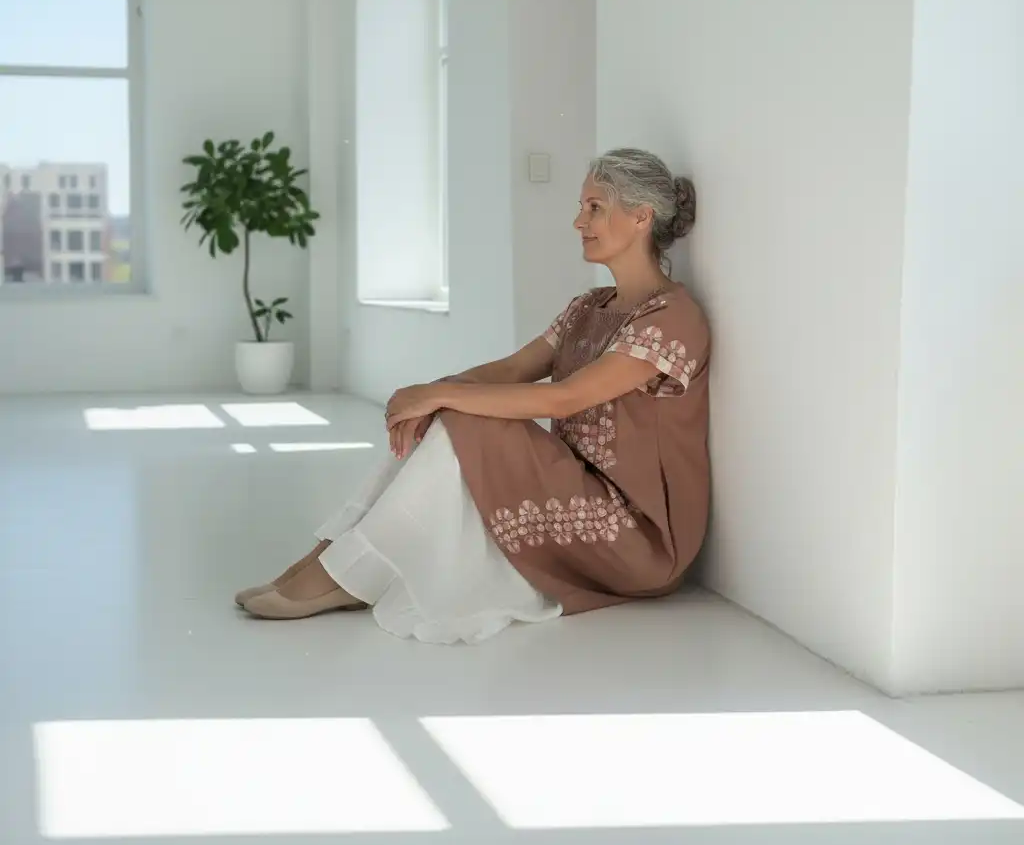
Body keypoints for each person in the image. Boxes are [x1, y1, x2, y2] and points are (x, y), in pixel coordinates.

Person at [237, 148, 710, 643]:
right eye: (581, 207)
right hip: (574, 490)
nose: (578, 221)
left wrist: (439, 395)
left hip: (634, 538)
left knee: (464, 411)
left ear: (641, 217)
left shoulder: (672, 318)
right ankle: (334, 557)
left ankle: (344, 574)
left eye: (595, 207)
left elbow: (563, 398)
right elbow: (513, 369)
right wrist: (433, 396)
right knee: (458, 404)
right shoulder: (588, 307)